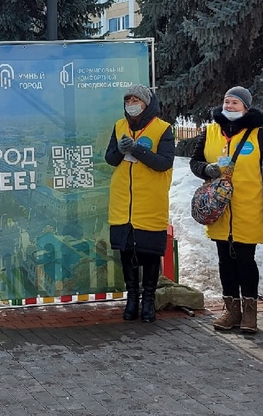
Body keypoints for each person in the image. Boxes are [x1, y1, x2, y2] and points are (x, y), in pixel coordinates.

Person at [190, 86, 263, 334]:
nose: (229, 106)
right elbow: (195, 162)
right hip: (219, 209)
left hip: (249, 207)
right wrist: (206, 170)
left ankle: (250, 313)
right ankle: (231, 310)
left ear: (245, 107)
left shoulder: (258, 133)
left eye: (235, 103)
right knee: (224, 260)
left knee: (245, 259)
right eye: (226, 101)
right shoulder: (210, 131)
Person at [105, 84, 174, 324]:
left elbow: (164, 162)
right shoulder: (118, 126)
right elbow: (110, 159)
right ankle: (131, 299)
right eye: (128, 100)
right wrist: (122, 150)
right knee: (127, 252)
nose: (131, 104)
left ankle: (148, 301)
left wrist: (137, 150)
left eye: (136, 100)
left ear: (146, 104)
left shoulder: (163, 129)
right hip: (123, 201)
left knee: (149, 253)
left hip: (150, 201)